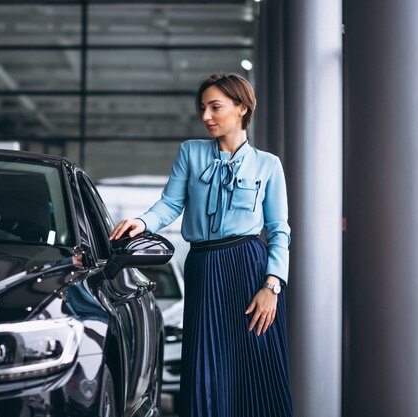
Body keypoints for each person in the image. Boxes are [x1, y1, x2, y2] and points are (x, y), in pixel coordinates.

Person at [109, 73, 293, 417]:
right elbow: (170, 204)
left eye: (215, 107)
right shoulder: (190, 153)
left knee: (254, 369)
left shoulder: (269, 165)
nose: (206, 116)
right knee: (205, 368)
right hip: (205, 267)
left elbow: (279, 231)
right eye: (203, 108)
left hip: (251, 271)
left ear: (242, 108)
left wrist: (272, 285)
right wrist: (143, 222)